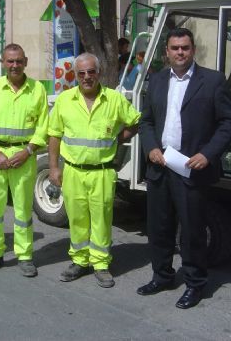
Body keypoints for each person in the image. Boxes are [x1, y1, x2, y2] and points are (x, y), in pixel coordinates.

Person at [137, 28, 231, 309]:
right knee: (159, 227)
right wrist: (151, 147)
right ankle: (162, 276)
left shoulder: (213, 81)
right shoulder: (156, 80)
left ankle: (195, 283)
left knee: (192, 231)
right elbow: (145, 122)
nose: (180, 52)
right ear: (166, 52)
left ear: (193, 50)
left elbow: (229, 123)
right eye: (174, 48)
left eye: (185, 47)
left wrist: (208, 154)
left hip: (191, 168)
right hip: (160, 165)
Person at [48, 53, 140, 288]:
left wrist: (117, 140)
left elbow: (135, 122)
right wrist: (53, 167)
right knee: (77, 219)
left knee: (101, 219)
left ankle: (100, 264)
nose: (87, 77)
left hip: (102, 172)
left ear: (98, 73)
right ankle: (79, 261)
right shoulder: (64, 100)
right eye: (82, 73)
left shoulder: (114, 99)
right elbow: (54, 135)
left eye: (91, 72)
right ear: (76, 75)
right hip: (73, 171)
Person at [0, 43, 48, 277]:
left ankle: (25, 255)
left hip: (23, 158)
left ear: (25, 62)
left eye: (19, 61)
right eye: (10, 61)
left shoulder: (37, 90)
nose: (14, 65)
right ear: (2, 62)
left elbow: (43, 126)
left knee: (23, 211)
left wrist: (27, 151)